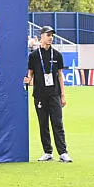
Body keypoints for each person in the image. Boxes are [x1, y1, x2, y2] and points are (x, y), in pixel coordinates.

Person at [24, 26, 71, 163]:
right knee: (43, 124)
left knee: (57, 123)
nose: (51, 37)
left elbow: (60, 75)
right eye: (48, 35)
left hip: (54, 94)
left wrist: (63, 95)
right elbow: (30, 74)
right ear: (41, 37)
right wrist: (27, 80)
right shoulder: (33, 56)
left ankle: (63, 152)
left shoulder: (57, 55)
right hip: (39, 95)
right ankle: (47, 152)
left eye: (52, 35)